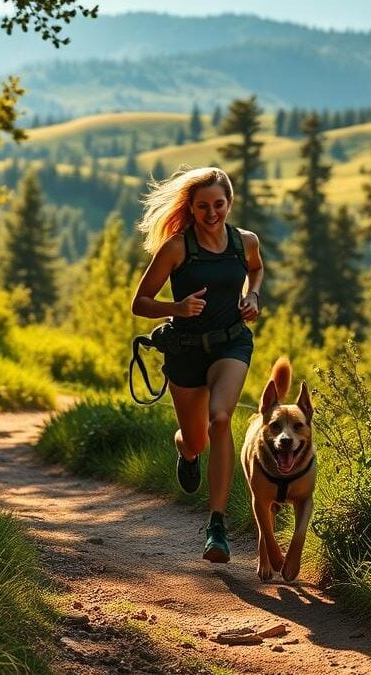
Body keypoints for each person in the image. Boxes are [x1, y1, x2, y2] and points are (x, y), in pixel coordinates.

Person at [131, 166, 263, 563]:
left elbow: (256, 270)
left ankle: (216, 526)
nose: (211, 213)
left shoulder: (245, 243)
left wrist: (253, 297)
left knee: (221, 419)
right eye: (203, 206)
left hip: (231, 345)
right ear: (190, 207)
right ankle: (185, 450)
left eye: (218, 204)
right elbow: (140, 303)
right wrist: (177, 307)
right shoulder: (176, 248)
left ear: (229, 203)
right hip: (185, 350)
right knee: (197, 440)